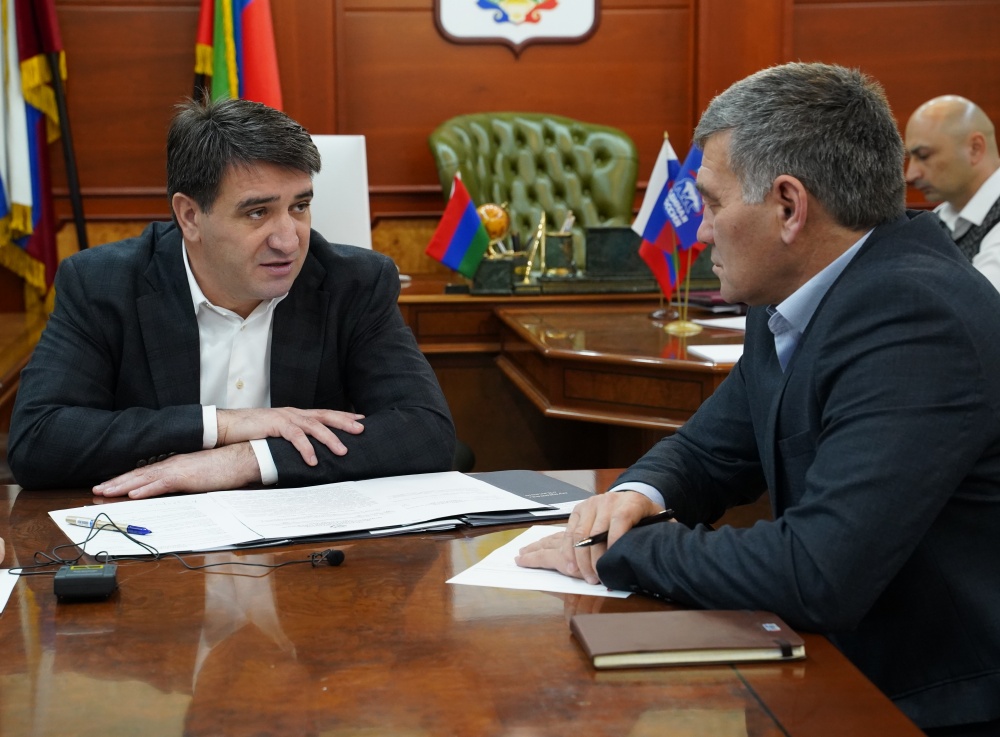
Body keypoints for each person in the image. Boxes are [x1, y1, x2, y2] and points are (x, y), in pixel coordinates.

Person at [517, 63, 1000, 734]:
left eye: (712, 204)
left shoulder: (916, 317)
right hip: (835, 672)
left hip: (928, 704)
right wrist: (638, 495)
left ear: (788, 206)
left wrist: (621, 547)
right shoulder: (793, 293)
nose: (700, 232)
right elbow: (709, 450)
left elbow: (815, 571)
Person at [8, 98, 456, 497]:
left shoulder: (354, 282)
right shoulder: (103, 283)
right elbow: (38, 440)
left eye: (299, 207)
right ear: (190, 216)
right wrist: (223, 426)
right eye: (257, 212)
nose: (288, 240)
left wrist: (246, 460)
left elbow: (426, 431)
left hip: (305, 545)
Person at [905, 95, 1000, 290]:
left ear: (975, 149)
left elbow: (979, 304)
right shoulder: (938, 217)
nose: (911, 174)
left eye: (923, 156)